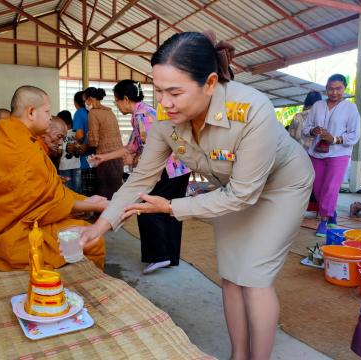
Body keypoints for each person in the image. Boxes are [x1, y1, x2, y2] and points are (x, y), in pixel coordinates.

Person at [77, 32, 314, 359]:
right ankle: (238, 354)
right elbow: (139, 180)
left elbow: (244, 195)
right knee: (232, 275)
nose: (165, 102)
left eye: (175, 92)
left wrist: (172, 206)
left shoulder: (251, 110)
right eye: (158, 91)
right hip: (230, 189)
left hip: (281, 186)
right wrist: (100, 226)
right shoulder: (166, 122)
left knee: (254, 276)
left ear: (211, 83)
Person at [0, 85, 107, 271]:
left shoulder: (10, 137)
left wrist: (84, 200)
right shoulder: (20, 148)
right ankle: (83, 288)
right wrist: (91, 205)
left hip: (8, 221)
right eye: (47, 111)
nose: (49, 117)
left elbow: (46, 192)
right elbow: (47, 201)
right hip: (10, 233)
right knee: (93, 241)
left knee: (84, 231)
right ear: (31, 112)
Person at [93, 79, 191, 274]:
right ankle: (169, 257)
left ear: (126, 99)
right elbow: (132, 147)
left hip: (167, 169)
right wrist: (103, 157)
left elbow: (150, 149)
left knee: (146, 207)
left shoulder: (143, 115)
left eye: (117, 101)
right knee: (170, 211)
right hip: (179, 169)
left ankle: (160, 256)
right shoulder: (143, 112)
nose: (117, 105)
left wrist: (136, 160)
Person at [303, 74, 361, 236]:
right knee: (319, 188)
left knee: (330, 188)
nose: (334, 92)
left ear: (344, 88)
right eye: (330, 89)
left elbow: (354, 135)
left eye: (338, 88)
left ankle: (324, 220)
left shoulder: (350, 108)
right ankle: (332, 213)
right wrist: (313, 131)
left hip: (339, 154)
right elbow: (306, 129)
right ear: (326, 88)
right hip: (317, 153)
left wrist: (334, 139)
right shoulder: (318, 106)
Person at [84, 87, 124, 200]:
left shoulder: (93, 113)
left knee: (104, 193)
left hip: (104, 158)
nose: (85, 103)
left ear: (90, 99)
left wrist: (84, 144)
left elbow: (94, 141)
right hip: (118, 157)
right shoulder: (109, 112)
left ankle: (105, 216)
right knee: (115, 191)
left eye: (85, 100)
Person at [70, 91, 94, 196]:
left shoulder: (79, 113)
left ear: (76, 103)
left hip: (86, 161)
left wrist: (74, 145)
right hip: (99, 159)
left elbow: (79, 135)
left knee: (87, 196)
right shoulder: (93, 112)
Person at [58, 110, 81, 192]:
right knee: (77, 191)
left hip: (64, 167)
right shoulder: (77, 133)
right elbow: (80, 147)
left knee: (66, 191)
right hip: (77, 166)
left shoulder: (61, 134)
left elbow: (59, 152)